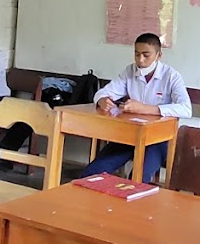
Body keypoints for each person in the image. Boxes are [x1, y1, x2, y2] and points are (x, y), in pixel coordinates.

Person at [81, 33, 191, 183]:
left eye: (146, 55)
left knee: (137, 179)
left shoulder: (171, 76)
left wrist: (145, 108)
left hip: (158, 139)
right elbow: (104, 92)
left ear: (159, 55)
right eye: (137, 54)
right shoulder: (130, 71)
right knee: (92, 172)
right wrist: (102, 100)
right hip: (129, 135)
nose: (140, 60)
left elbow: (186, 108)